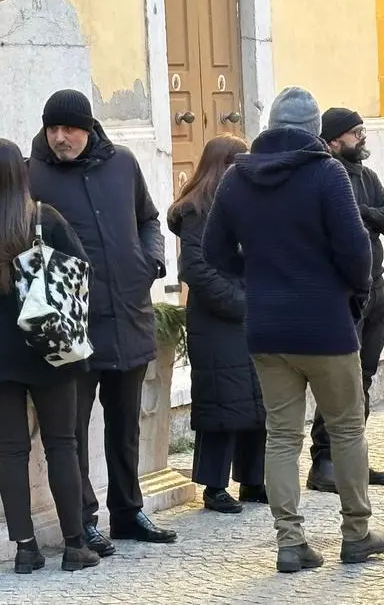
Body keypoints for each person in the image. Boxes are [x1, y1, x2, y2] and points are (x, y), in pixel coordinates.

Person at [203, 86, 384, 573]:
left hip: (267, 326)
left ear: (269, 126)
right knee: (348, 429)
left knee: (282, 436)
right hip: (326, 323)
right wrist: (352, 292)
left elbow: (215, 252)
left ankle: (290, 542)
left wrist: (257, 275)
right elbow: (357, 253)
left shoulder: (236, 179)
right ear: (314, 132)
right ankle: (357, 533)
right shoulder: (326, 173)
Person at [28, 89, 176, 557]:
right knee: (73, 428)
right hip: (72, 322)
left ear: (88, 128)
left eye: (68, 128)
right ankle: (84, 521)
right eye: (52, 129)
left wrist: (148, 262)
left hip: (128, 313)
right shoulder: (34, 176)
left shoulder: (124, 165)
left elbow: (149, 219)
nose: (59, 138)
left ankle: (128, 511)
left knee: (125, 423)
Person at [0, 139, 100, 574]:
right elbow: (81, 272)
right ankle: (74, 546)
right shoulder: (42, 219)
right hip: (46, 348)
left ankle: (26, 550)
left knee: (10, 450)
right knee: (62, 445)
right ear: (20, 173)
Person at [166, 135, 268, 514]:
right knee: (222, 404)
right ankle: (213, 485)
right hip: (217, 320)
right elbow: (196, 268)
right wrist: (240, 301)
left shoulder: (247, 206)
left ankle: (254, 480)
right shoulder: (197, 211)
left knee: (257, 402)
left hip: (252, 313)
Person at [307, 108, 384, 493]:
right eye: (355, 132)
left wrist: (364, 214)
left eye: (363, 130)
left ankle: (353, 457)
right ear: (333, 140)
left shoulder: (366, 175)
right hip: (344, 292)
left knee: (363, 376)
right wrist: (367, 217)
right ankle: (324, 460)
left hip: (375, 289)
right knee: (339, 381)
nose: (362, 138)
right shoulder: (327, 176)